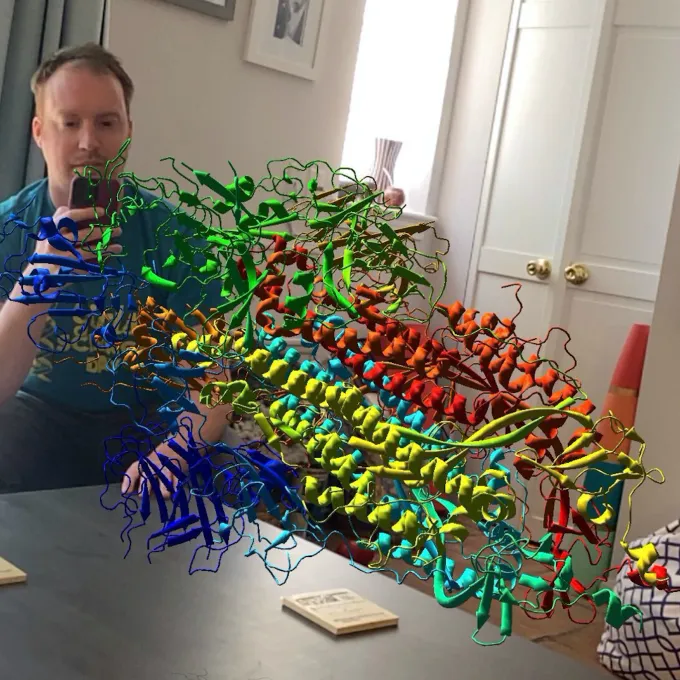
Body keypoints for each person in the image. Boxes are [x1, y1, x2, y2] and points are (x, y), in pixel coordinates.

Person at [0, 43, 230, 496]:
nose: (89, 142)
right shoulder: (8, 229)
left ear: (128, 131)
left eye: (106, 123)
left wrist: (177, 451)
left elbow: (215, 381)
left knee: (226, 472)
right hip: (36, 420)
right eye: (70, 123)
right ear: (39, 132)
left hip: (148, 420)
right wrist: (38, 279)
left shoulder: (179, 237)